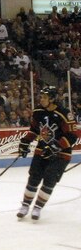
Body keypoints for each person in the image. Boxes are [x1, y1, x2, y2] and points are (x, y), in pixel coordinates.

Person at [16, 87, 77, 220]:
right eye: (41, 97)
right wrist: (25, 141)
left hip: (61, 155)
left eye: (44, 97)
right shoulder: (37, 112)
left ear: (52, 99)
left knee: (49, 180)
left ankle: (37, 207)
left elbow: (73, 135)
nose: (41, 99)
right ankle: (25, 205)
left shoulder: (64, 113)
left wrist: (55, 146)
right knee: (33, 178)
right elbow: (34, 130)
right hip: (41, 151)